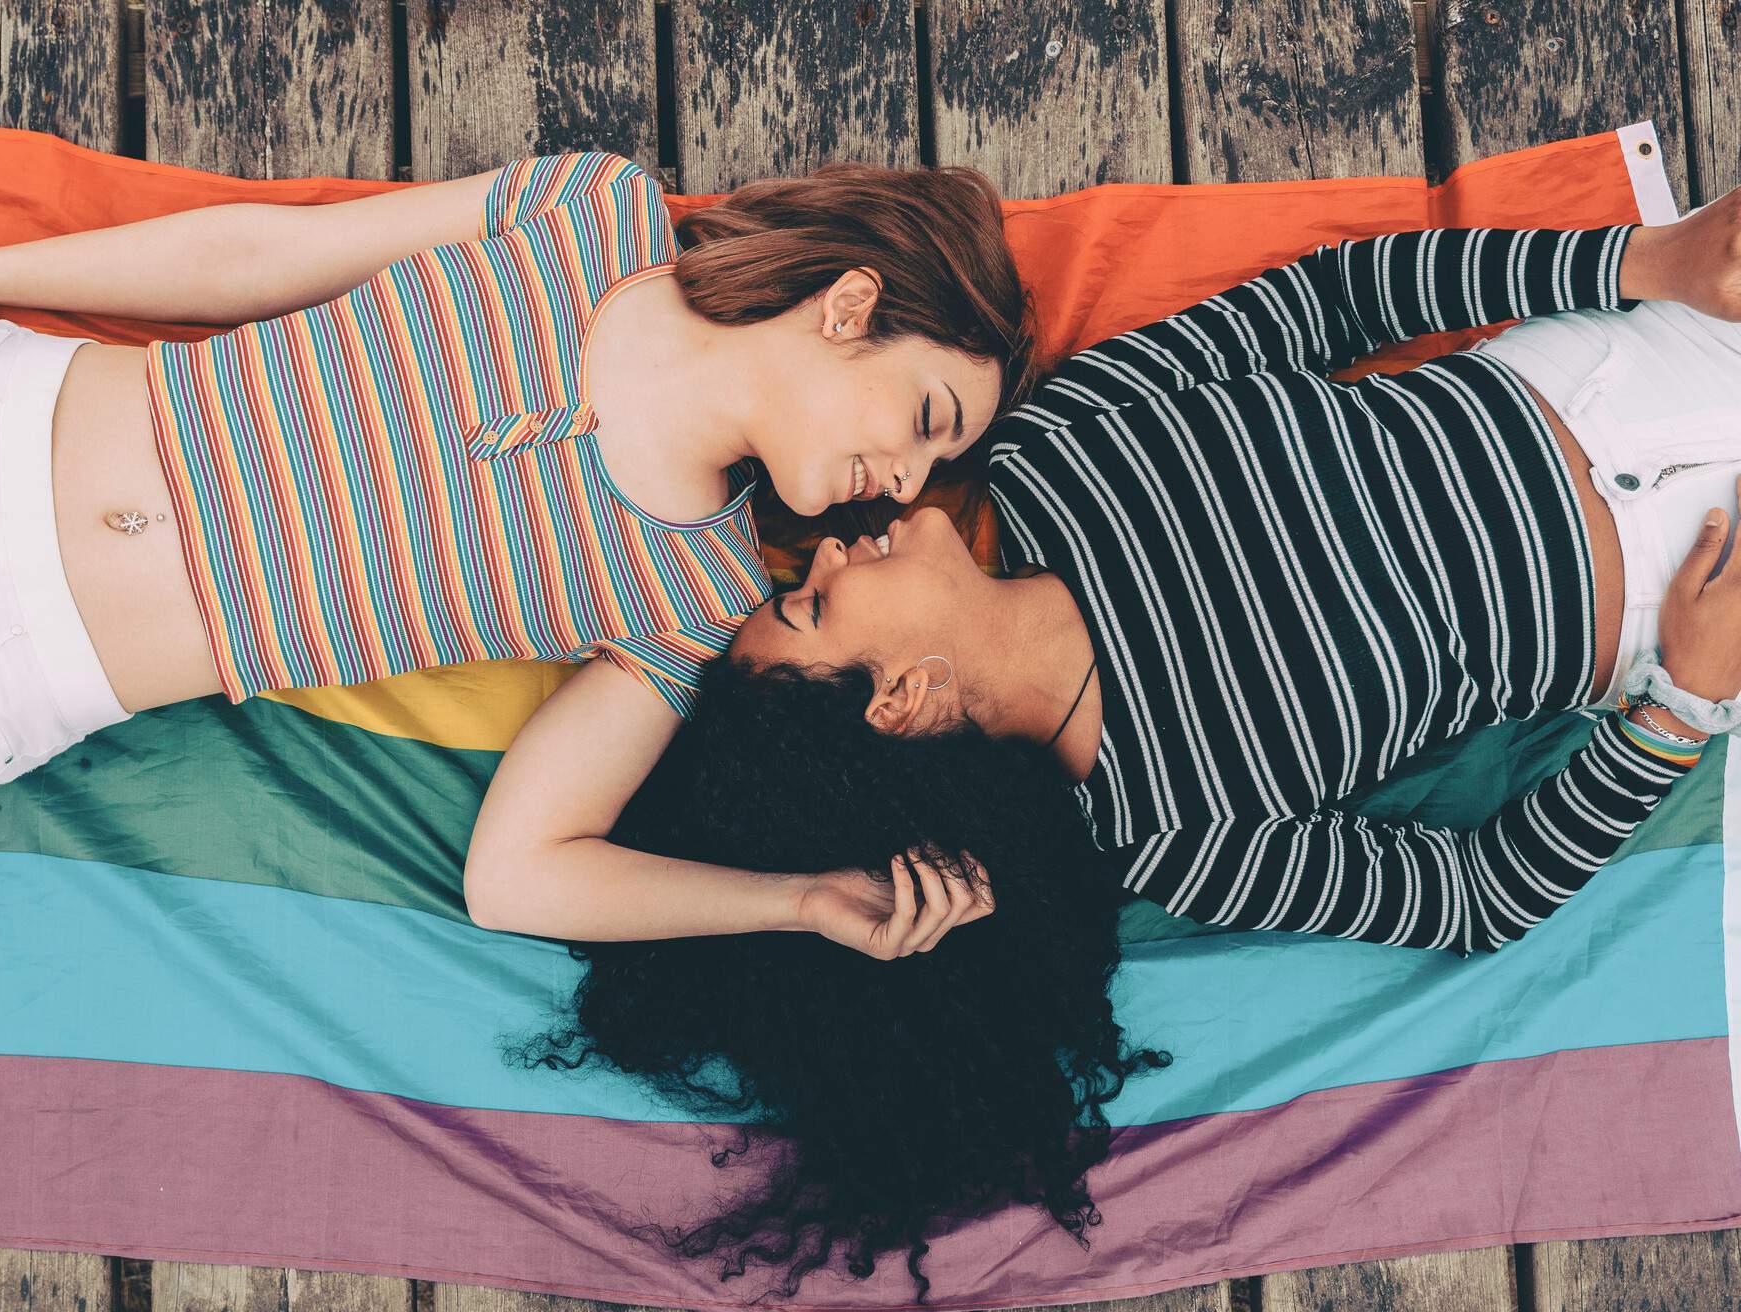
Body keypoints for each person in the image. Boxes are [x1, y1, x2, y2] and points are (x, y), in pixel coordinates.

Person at [501, 196, 1741, 1299]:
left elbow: (1334, 301)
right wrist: (1682, 705)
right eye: (814, 603)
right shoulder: (1171, 832)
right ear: (907, 702)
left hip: (1595, 372)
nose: (823, 547)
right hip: (1662, 604)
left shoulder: (1057, 447)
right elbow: (1479, 896)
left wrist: (1645, 256)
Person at [0, 150, 1030, 813]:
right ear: (853, 306)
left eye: (934, 466)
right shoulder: (589, 213)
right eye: (929, 418)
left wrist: (810, 906)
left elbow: (522, 870)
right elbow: (263, 252)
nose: (909, 483)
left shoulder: (693, 593)